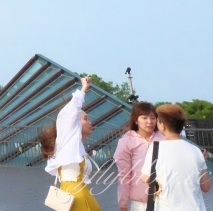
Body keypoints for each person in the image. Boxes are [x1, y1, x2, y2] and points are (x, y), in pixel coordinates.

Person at [38, 76, 100, 211]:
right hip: (76, 200)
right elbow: (71, 111)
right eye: (85, 118)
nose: (90, 122)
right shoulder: (66, 140)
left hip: (80, 198)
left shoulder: (75, 146)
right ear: (74, 122)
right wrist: (83, 89)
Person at [140, 104, 210, 211]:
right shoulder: (196, 150)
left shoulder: (156, 148)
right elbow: (205, 187)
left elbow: (144, 177)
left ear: (163, 125)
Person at [114, 102, 164, 211]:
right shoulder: (127, 141)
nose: (149, 121)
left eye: (153, 118)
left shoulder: (164, 138)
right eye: (144, 118)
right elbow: (124, 175)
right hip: (140, 203)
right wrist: (123, 204)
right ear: (136, 120)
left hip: (164, 200)